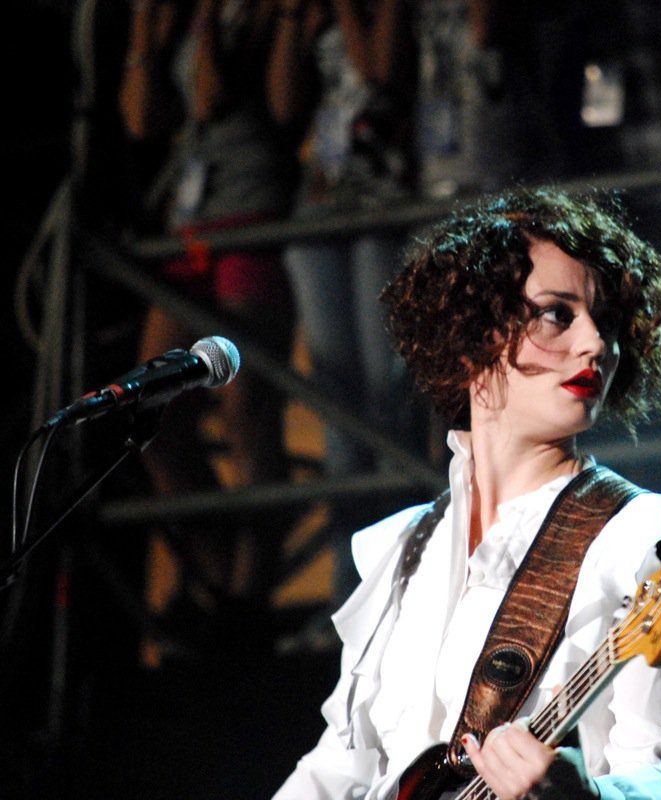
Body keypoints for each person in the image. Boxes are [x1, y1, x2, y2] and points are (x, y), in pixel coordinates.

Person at [272, 188, 661, 800]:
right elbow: (338, 769)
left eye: (608, 322)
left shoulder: (635, 530)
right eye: (557, 314)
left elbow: (660, 771)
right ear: (473, 334)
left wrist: (584, 796)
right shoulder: (408, 545)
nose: (595, 343)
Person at [120, 0, 296, 616]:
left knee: (246, 409)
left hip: (252, 213)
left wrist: (204, 29)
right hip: (188, 225)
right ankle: (218, 584)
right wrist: (146, 32)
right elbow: (141, 117)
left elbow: (212, 95)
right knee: (149, 410)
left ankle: (250, 592)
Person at [268, 0, 420, 602]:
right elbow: (285, 105)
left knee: (387, 401)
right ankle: (347, 594)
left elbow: (380, 70)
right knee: (336, 406)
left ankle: (401, 590)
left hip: (385, 195)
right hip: (320, 203)